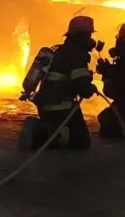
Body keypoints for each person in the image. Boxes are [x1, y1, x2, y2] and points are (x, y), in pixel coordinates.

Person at [22, 15, 97, 151]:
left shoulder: (59, 51)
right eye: (89, 35)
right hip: (61, 107)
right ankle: (41, 134)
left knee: (68, 131)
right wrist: (91, 87)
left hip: (46, 105)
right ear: (84, 36)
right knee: (81, 141)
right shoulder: (76, 55)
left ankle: (47, 128)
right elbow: (84, 89)